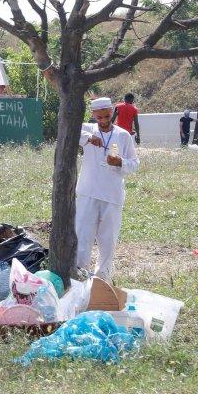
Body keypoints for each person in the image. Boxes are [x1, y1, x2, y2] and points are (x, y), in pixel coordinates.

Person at [75, 96, 139, 282]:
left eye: (106, 116)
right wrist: (89, 138)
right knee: (83, 237)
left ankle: (102, 280)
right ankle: (80, 276)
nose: (103, 121)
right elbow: (68, 130)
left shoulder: (122, 135)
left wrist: (120, 162)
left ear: (112, 113)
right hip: (88, 192)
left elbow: (134, 162)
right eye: (99, 117)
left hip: (112, 194)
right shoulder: (87, 129)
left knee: (108, 241)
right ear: (93, 115)